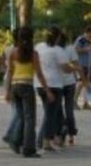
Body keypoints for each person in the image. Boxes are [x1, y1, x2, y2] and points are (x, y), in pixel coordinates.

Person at [4, 26, 54, 158]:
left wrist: (8, 91)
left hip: (15, 86)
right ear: (31, 38)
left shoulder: (13, 52)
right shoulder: (33, 54)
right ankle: (28, 148)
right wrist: (47, 91)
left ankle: (15, 141)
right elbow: (39, 74)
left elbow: (9, 72)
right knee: (30, 119)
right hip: (26, 86)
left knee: (21, 117)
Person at [35, 27, 71, 151]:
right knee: (51, 114)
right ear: (58, 37)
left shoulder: (39, 47)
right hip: (54, 85)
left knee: (50, 113)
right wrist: (75, 69)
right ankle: (44, 140)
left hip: (40, 84)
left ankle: (52, 137)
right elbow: (66, 68)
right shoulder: (58, 50)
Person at [58, 30, 80, 146]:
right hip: (70, 82)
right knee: (69, 109)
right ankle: (71, 135)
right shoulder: (70, 48)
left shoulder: (54, 50)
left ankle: (61, 134)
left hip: (58, 83)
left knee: (59, 109)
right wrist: (76, 73)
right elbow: (76, 64)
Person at [74, 25, 91, 109]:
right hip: (82, 64)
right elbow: (75, 50)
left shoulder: (90, 41)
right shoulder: (81, 40)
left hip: (89, 65)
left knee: (88, 84)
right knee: (81, 83)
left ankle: (86, 103)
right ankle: (74, 101)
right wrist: (85, 50)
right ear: (89, 32)